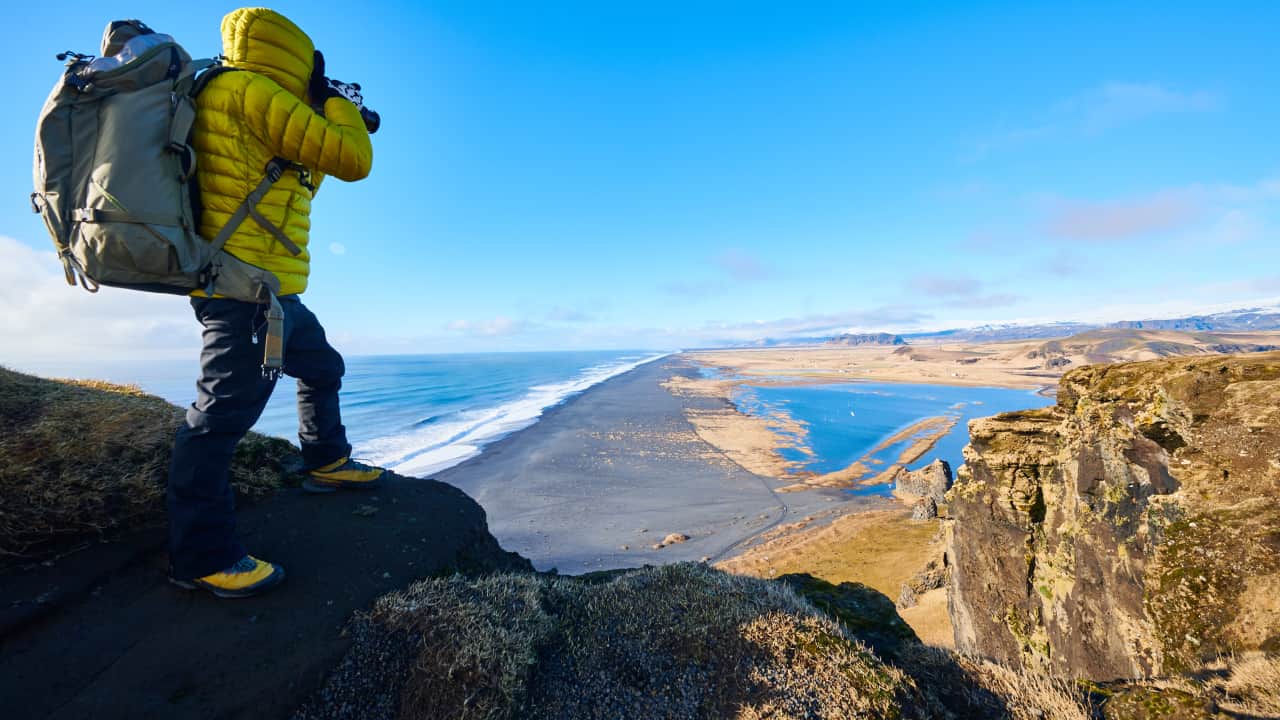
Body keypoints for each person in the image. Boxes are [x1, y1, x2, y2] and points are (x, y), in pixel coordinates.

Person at [167, 7, 382, 598]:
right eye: (318, 72)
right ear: (299, 60)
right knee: (218, 420)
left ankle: (325, 461)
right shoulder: (247, 90)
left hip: (268, 289)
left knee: (321, 366)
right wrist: (334, 103)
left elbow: (301, 173)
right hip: (243, 292)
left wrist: (327, 110)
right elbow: (355, 160)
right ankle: (202, 556)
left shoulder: (239, 95)